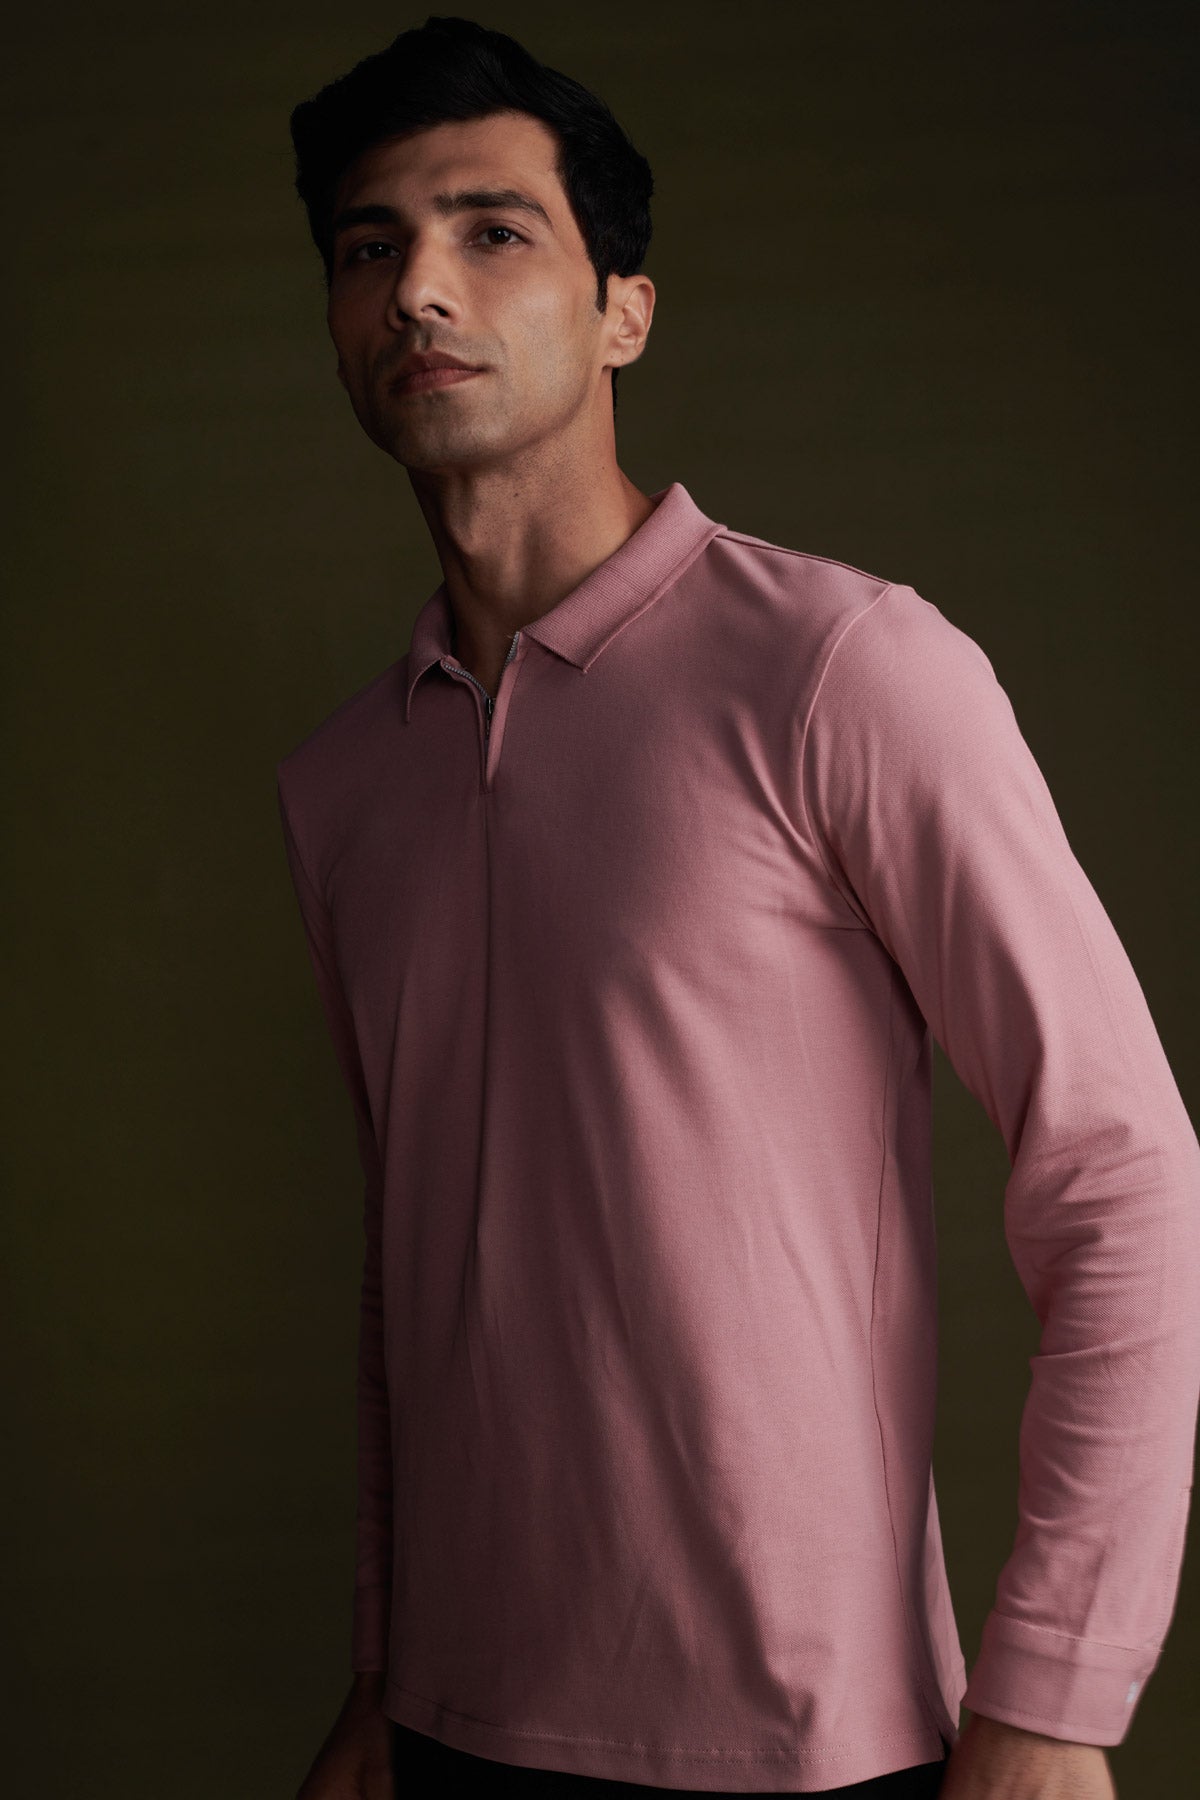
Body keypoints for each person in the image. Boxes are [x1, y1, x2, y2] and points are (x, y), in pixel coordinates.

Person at [277, 16, 1198, 1800]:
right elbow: (414, 1270)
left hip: (805, 1749)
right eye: (368, 248)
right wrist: (382, 1669)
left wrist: (1055, 1696)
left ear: (623, 309)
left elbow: (1120, 1170)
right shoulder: (342, 791)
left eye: (493, 231)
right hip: (444, 1733)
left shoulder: (844, 670)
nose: (418, 291)